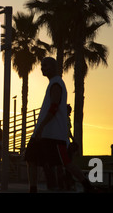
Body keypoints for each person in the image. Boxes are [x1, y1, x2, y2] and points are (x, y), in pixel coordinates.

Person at [25, 57, 93, 193]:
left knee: (66, 162)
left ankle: (88, 186)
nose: (42, 68)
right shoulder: (53, 83)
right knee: (30, 158)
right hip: (44, 133)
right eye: (42, 66)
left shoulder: (57, 83)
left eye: (46, 65)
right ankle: (33, 189)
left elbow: (54, 107)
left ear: (54, 67)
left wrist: (41, 127)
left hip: (53, 134)